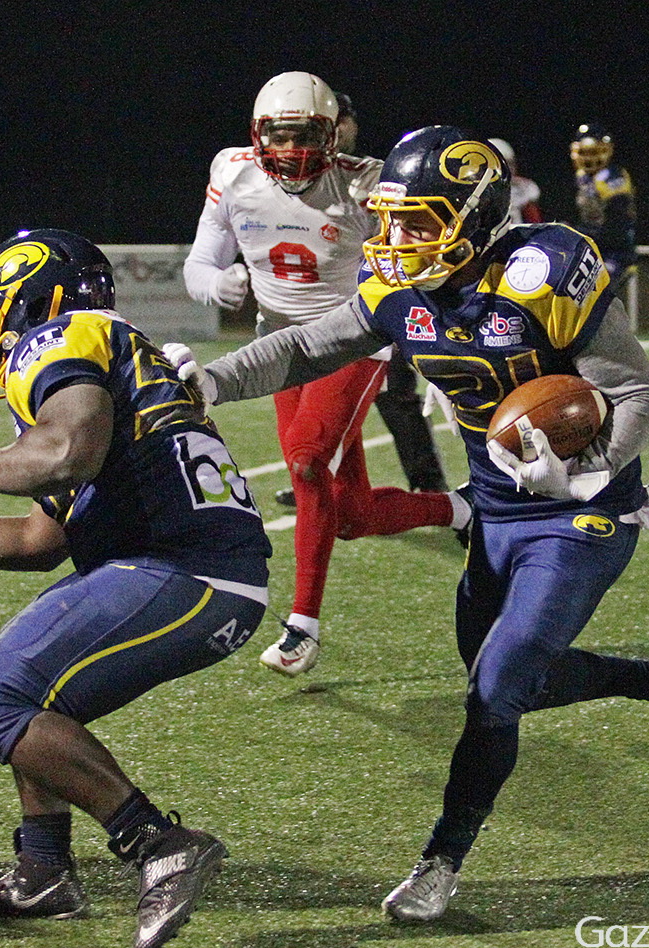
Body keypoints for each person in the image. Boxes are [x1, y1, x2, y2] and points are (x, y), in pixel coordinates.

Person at [164, 126, 649, 923]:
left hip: (584, 511)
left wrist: (583, 469)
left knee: (498, 683)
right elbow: (308, 347)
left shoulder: (542, 274)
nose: (395, 239)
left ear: (476, 216)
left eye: (417, 221)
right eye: (389, 219)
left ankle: (440, 861)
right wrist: (209, 382)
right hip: (496, 510)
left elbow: (640, 398)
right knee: (511, 678)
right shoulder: (398, 289)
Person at [0, 229, 270, 948]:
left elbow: (64, 454)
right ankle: (43, 870)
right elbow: (40, 540)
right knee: (22, 678)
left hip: (185, 568)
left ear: (40, 298)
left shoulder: (70, 335)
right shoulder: (112, 366)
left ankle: (158, 844)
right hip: (190, 568)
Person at [183, 72, 466, 678]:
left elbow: (421, 266)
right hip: (279, 347)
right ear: (258, 134)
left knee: (308, 461)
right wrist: (214, 283)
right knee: (352, 515)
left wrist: (438, 351)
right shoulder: (232, 172)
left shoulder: (367, 184)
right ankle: (458, 509)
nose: (291, 150)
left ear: (333, 133)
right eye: (280, 136)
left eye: (306, 135)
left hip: (351, 341)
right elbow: (200, 260)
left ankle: (302, 627)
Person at [340, 92, 451, 496]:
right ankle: (326, 481)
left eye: (343, 118)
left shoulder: (373, 176)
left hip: (385, 300)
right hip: (327, 309)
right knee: (333, 403)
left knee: (396, 396)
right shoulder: (290, 186)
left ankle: (429, 484)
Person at [570, 123, 637, 284]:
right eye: (584, 152)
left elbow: (616, 226)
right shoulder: (582, 177)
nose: (588, 158)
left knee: (597, 291)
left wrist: (581, 233)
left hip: (615, 252)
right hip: (594, 248)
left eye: (593, 152)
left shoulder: (613, 178)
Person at [489, 137, 543, 226]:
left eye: (510, 163)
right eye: (502, 165)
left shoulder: (523, 187)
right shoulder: (477, 190)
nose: (508, 169)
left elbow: (535, 224)